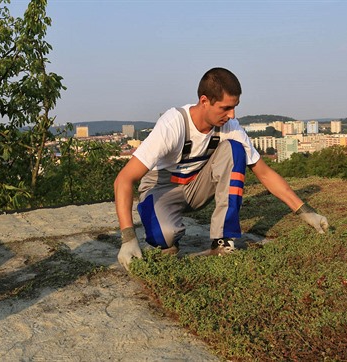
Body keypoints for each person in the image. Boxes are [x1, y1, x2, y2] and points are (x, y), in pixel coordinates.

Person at [114, 67, 329, 270]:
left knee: (236, 150)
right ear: (204, 101)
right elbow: (124, 179)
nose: (232, 115)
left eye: (235, 107)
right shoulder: (173, 124)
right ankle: (168, 236)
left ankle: (223, 242)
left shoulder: (229, 127)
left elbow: (263, 172)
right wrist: (128, 238)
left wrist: (305, 212)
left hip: (197, 186)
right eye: (226, 108)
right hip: (163, 187)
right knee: (164, 238)